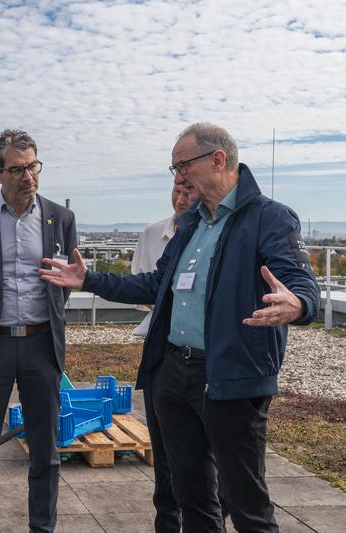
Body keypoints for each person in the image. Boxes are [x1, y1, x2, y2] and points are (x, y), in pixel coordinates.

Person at [41, 123, 320, 533]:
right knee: (191, 497)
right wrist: (90, 280)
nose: (177, 177)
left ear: (218, 159)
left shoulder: (269, 218)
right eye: (173, 168)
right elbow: (156, 284)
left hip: (231, 378)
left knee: (247, 505)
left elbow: (300, 281)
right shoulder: (193, 223)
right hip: (174, 375)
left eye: (182, 166)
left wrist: (298, 304)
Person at [0, 129, 77, 533]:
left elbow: (67, 283)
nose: (29, 176)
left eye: (34, 166)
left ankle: (43, 528)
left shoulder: (61, 217)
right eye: (18, 169)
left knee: (46, 453)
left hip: (42, 345)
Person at [130, 184, 196, 532]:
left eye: (189, 189)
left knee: (208, 466)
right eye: (176, 190)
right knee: (165, 464)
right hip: (161, 352)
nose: (181, 197)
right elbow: (142, 286)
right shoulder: (154, 234)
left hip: (201, 359)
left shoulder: (215, 235)